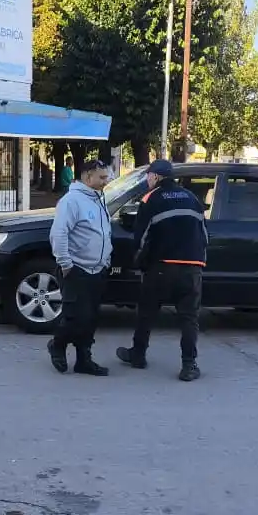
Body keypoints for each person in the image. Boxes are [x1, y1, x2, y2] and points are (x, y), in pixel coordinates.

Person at [116, 159, 208, 382]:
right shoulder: (192, 198)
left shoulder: (152, 199)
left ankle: (138, 355)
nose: (147, 180)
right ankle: (189, 365)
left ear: (156, 177)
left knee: (147, 313)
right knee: (189, 319)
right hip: (192, 268)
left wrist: (139, 263)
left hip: (161, 267)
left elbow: (142, 237)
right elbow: (205, 235)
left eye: (148, 176)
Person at [47, 159, 112, 376]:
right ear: (87, 177)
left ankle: (84, 359)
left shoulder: (98, 199)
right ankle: (57, 345)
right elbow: (59, 233)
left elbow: (102, 232)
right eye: (102, 177)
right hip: (77, 270)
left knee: (91, 318)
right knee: (75, 317)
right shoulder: (72, 201)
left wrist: (106, 259)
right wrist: (65, 264)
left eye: (106, 176)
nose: (106, 181)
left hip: (97, 270)